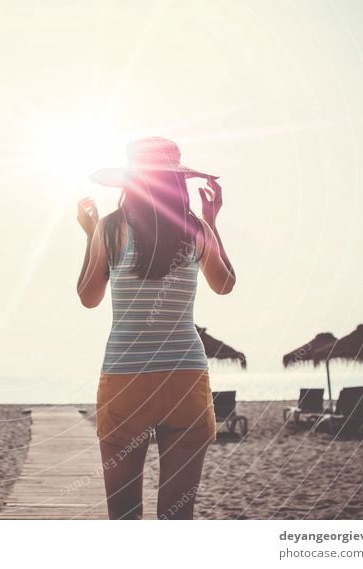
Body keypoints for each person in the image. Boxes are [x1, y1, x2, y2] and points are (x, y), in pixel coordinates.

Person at [75, 136, 236, 520]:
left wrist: (90, 234)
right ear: (177, 182)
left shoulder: (112, 228)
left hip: (126, 378)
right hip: (185, 376)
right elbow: (225, 284)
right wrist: (211, 221)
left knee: (126, 516)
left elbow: (88, 296)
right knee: (176, 519)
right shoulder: (195, 228)